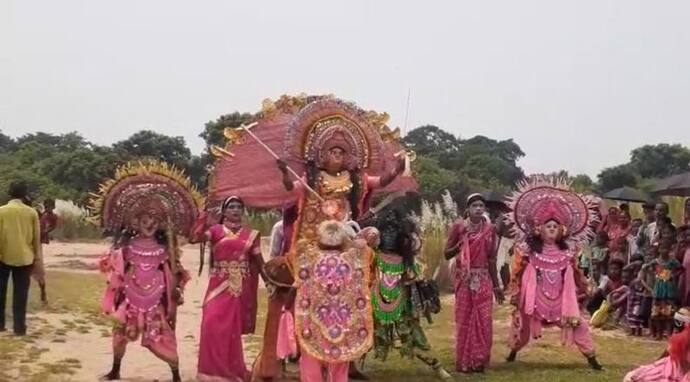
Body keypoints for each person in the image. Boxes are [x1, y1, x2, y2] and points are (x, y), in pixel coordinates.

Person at [277, 100, 407, 382]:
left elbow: (381, 182)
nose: (337, 155)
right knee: (307, 302)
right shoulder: (311, 176)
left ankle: (345, 363)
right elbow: (292, 188)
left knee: (353, 293)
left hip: (346, 246)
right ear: (321, 155)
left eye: (341, 151)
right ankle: (305, 354)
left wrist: (396, 170)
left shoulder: (357, 178)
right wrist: (285, 174)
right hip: (314, 246)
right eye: (332, 151)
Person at [92, 161, 201, 382]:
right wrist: (115, 262)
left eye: (153, 220)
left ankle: (176, 375)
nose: (149, 224)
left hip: (156, 299)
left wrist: (177, 287)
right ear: (135, 222)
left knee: (165, 336)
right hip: (130, 298)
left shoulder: (165, 249)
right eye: (144, 220)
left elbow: (176, 272)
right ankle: (115, 369)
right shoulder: (127, 246)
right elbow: (116, 268)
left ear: (160, 223)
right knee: (119, 334)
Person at [506, 176, 602, 370]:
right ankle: (513, 352)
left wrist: (585, 286)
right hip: (533, 301)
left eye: (554, 226)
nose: (551, 229)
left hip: (561, 302)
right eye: (548, 226)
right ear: (539, 229)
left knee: (579, 326)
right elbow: (517, 273)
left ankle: (593, 360)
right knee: (522, 329)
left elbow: (576, 275)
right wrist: (516, 294)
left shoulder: (568, 253)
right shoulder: (528, 251)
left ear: (561, 230)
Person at [369, 203, 451, 379]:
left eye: (394, 227)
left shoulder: (409, 261)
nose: (390, 233)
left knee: (411, 330)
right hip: (375, 300)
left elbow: (413, 277)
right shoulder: (372, 255)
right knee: (364, 328)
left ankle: (435, 364)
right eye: (387, 227)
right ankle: (343, 365)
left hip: (401, 303)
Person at [192, 196, 270, 382]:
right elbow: (194, 238)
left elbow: (260, 264)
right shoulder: (216, 231)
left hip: (237, 290)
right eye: (231, 207)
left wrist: (270, 283)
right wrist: (203, 217)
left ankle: (230, 372)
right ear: (224, 211)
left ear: (242, 211)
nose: (235, 210)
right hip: (217, 287)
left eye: (238, 207)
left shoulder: (252, 235)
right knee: (210, 324)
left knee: (230, 331)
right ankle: (209, 372)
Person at [444, 193, 503, 373]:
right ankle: (464, 361)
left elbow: (492, 259)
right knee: (465, 319)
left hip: (483, 279)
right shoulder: (459, 227)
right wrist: (460, 245)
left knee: (483, 320)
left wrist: (496, 285)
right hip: (464, 279)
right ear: (468, 209)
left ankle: (478, 361)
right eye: (474, 206)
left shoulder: (490, 229)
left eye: (481, 206)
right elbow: (446, 253)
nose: (478, 209)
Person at [0, 181, 44, 336]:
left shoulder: (2, 211)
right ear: (24, 194)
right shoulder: (31, 212)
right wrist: (37, 260)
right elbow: (36, 239)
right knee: (21, 294)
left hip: (3, 257)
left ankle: (1, 325)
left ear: (9, 193)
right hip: (26, 258)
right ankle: (19, 328)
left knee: (0, 292)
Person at [624, 307, 690, 381]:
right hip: (669, 367)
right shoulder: (677, 336)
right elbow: (667, 352)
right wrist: (655, 365)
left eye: (682, 316)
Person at [646, 239, 681, 340]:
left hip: (669, 287)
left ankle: (669, 333)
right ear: (659, 250)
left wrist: (673, 275)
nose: (664, 251)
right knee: (656, 312)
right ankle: (659, 334)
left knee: (669, 311)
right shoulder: (656, 261)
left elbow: (681, 269)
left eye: (666, 249)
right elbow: (645, 268)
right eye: (662, 248)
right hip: (658, 287)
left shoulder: (672, 261)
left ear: (669, 250)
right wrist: (655, 274)